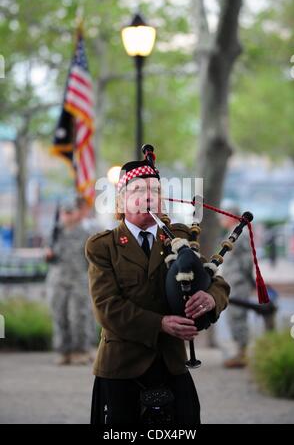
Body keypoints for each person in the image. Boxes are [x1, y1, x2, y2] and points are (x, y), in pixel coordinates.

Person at [85, 158, 230, 427]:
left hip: (172, 363)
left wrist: (211, 299)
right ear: (121, 201)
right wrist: (161, 324)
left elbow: (216, 280)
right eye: (138, 191)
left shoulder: (180, 237)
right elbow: (106, 307)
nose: (148, 197)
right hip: (121, 368)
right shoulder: (103, 246)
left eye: (155, 191)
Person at [46, 198, 96, 365]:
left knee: (79, 316)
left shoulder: (86, 233)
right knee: (59, 316)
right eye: (64, 212)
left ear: (77, 214)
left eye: (70, 212)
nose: (66, 215)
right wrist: (47, 255)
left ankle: (80, 350)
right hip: (57, 281)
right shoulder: (55, 232)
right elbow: (48, 255)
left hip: (78, 281)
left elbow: (92, 260)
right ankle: (63, 351)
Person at [220, 207, 254, 368]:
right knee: (233, 316)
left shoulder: (242, 235)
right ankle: (240, 352)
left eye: (224, 216)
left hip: (239, 282)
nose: (222, 219)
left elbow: (247, 260)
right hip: (232, 281)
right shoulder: (234, 233)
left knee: (238, 316)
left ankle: (242, 353)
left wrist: (249, 280)